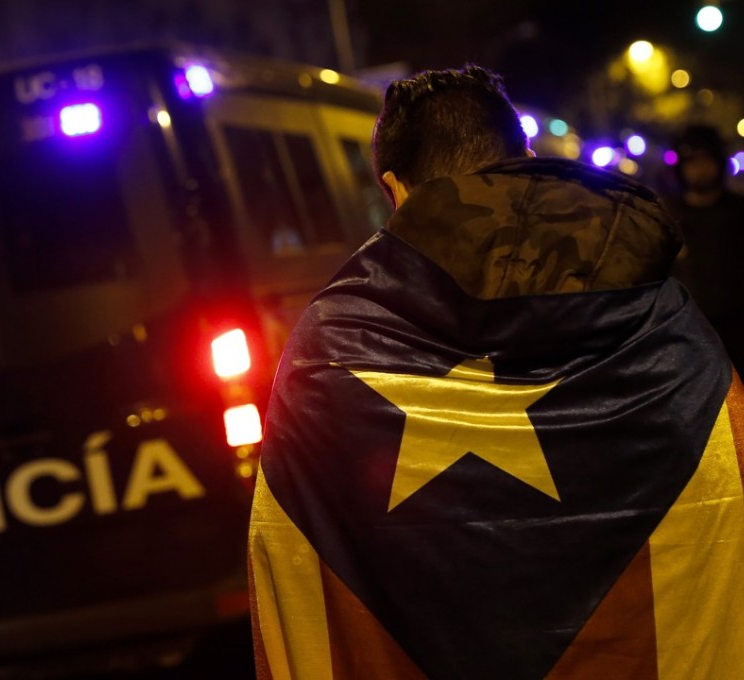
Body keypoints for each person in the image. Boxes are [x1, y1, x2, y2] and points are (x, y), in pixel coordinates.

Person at [248, 66, 744, 680]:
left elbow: (294, 553)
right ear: (529, 159)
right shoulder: (662, 316)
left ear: (393, 190)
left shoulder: (326, 349)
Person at [668, 124, 744, 372]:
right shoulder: (669, 218)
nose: (699, 168)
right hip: (687, 338)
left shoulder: (737, 212)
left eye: (706, 160)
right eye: (692, 161)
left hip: (737, 334)